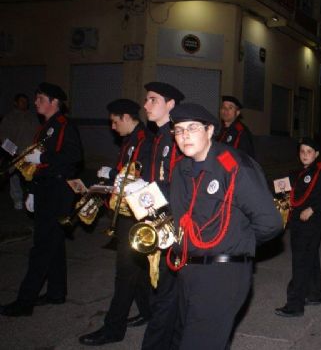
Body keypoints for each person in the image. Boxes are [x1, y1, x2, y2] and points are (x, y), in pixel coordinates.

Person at [165, 103, 282, 348]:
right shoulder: (180, 169)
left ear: (209, 131)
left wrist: (236, 243)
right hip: (188, 269)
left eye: (193, 128)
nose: (184, 135)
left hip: (223, 273)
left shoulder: (234, 165)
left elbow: (270, 222)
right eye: (178, 130)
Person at [0, 83, 83, 317]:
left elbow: (74, 156)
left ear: (54, 102)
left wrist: (44, 156)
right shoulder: (44, 127)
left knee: (41, 247)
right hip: (45, 188)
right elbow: (36, 164)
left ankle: (25, 302)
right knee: (54, 245)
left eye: (40, 99)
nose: (35, 102)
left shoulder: (64, 125)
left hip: (58, 191)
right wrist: (33, 192)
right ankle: (57, 293)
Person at [78, 99, 153, 346]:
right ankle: (149, 312)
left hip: (134, 215)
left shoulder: (143, 140)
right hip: (127, 211)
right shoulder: (132, 139)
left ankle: (113, 329)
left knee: (125, 274)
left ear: (126, 117)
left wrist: (112, 175)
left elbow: (136, 177)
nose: (112, 126)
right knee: (137, 271)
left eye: (114, 121)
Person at [140, 82, 185, 350]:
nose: (146, 105)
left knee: (167, 296)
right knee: (167, 295)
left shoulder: (174, 138)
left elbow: (178, 185)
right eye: (146, 100)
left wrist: (146, 191)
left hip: (174, 224)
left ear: (170, 105)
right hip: (160, 220)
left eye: (153, 100)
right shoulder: (158, 137)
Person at [275, 137, 321, 317]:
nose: (305, 155)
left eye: (309, 152)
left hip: (312, 224)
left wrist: (313, 208)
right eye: (302, 151)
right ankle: (315, 293)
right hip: (297, 223)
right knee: (311, 257)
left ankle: (295, 304)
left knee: (300, 262)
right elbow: (285, 192)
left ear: (316, 154)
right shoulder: (296, 173)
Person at [0, 93, 40, 210]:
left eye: (26, 101)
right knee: (14, 178)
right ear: (15, 103)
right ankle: (17, 200)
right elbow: (3, 137)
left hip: (30, 154)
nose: (24, 103)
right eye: (21, 101)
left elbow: (38, 133)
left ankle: (32, 199)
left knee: (31, 177)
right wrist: (13, 152)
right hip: (15, 154)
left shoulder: (32, 117)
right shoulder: (9, 118)